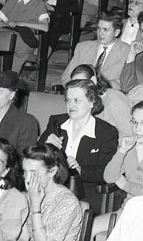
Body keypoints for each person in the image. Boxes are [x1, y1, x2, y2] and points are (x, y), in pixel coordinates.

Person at [39, 79, 118, 212]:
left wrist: (81, 170)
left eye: (77, 100)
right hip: (50, 188)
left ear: (92, 102)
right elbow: (34, 158)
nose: (71, 105)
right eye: (68, 100)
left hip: (84, 194)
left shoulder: (106, 132)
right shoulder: (56, 122)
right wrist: (45, 146)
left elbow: (106, 172)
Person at [21, 143, 83, 241]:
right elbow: (24, 235)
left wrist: (35, 206)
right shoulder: (31, 193)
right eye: (25, 171)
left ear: (52, 171)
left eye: (33, 173)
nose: (27, 178)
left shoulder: (67, 202)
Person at [104, 99, 143, 206]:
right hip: (130, 206)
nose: (137, 128)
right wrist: (122, 151)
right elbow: (109, 177)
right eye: (134, 122)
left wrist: (125, 185)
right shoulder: (129, 148)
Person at [62, 11, 131, 89]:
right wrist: (78, 88)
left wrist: (100, 87)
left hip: (109, 94)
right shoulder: (83, 47)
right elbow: (67, 76)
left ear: (116, 33)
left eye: (105, 30)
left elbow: (125, 83)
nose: (100, 33)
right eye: (98, 28)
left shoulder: (127, 51)